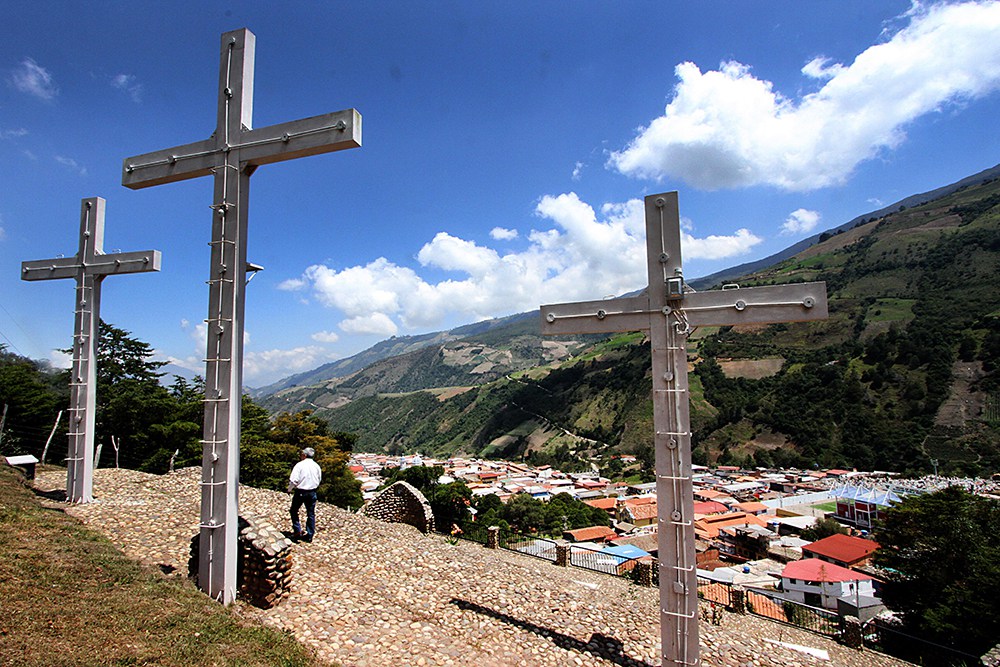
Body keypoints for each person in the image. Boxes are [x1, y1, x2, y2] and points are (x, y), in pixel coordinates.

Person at [288, 447, 322, 542]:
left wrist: (289, 489)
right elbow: (319, 479)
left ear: (305, 455)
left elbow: (294, 480)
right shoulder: (316, 466)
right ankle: (310, 535)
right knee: (310, 514)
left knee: (294, 510)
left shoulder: (299, 465)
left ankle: (297, 530)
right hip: (312, 491)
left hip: (301, 491)